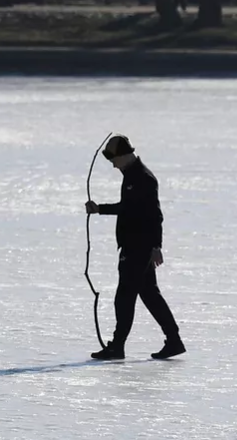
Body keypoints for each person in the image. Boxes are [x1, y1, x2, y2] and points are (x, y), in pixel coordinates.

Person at [85, 134, 185, 360]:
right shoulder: (132, 175)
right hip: (136, 246)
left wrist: (156, 246)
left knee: (125, 297)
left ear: (124, 155)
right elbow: (132, 208)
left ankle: (117, 346)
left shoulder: (142, 178)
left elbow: (154, 214)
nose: (112, 164)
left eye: (114, 159)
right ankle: (174, 340)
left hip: (138, 247)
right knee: (149, 295)